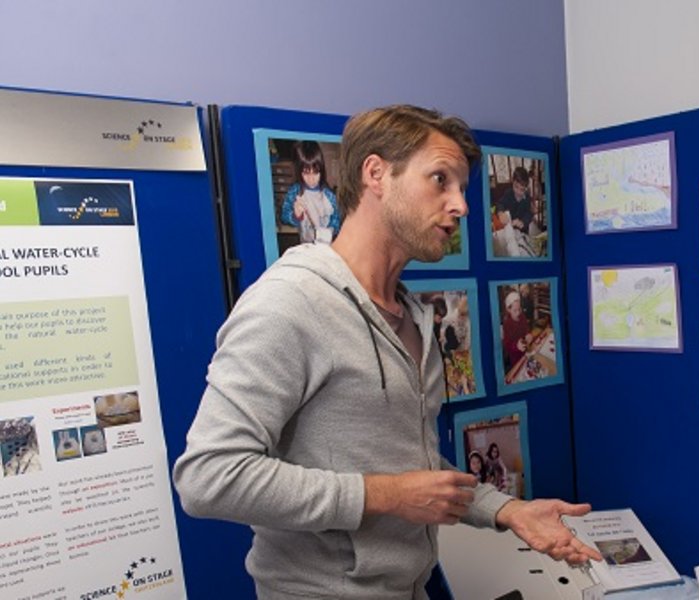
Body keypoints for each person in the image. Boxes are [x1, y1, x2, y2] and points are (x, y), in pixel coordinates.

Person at [173, 104, 600, 599]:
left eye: (462, 187)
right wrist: (385, 495)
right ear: (376, 173)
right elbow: (207, 477)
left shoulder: (413, 314)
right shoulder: (288, 304)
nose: (461, 205)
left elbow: (409, 471)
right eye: (440, 179)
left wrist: (505, 510)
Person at [280, 140, 341, 244]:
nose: (311, 179)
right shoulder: (295, 192)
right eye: (306, 173)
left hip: (326, 245)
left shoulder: (329, 195)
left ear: (322, 171)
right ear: (299, 172)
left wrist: (331, 230)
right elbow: (284, 216)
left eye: (316, 173)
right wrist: (296, 216)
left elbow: (337, 217)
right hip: (306, 244)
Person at [496, 166, 535, 235]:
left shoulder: (527, 198)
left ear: (526, 188)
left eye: (522, 189)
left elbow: (529, 213)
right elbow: (500, 203)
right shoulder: (508, 193)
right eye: (516, 187)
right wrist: (500, 213)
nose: (518, 192)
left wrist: (523, 222)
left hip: (523, 231)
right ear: (512, 181)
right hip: (510, 229)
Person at [501, 289, 532, 373]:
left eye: (519, 309)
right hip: (515, 358)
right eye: (515, 310)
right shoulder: (507, 323)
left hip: (525, 352)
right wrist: (516, 346)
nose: (518, 313)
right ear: (508, 309)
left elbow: (526, 328)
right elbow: (507, 345)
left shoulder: (522, 316)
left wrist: (528, 334)